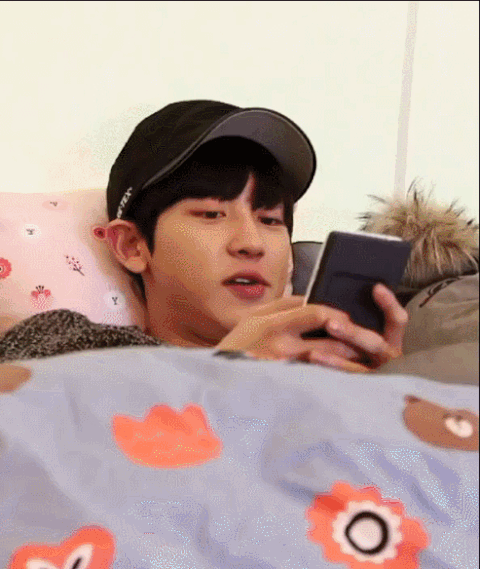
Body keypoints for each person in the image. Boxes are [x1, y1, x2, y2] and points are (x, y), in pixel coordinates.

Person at [104, 99, 408, 373]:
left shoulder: (323, 366)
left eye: (270, 220)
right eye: (212, 214)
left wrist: (390, 391)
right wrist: (227, 371)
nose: (252, 244)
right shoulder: (91, 351)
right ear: (132, 246)